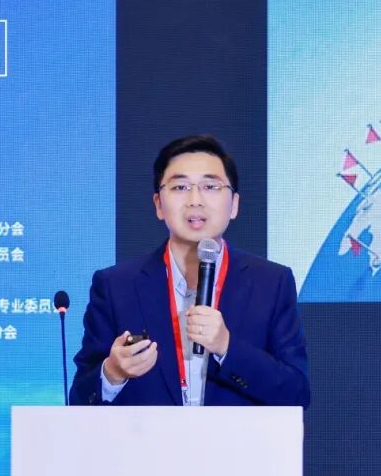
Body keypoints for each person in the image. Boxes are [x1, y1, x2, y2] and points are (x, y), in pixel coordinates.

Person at [70, 134, 310, 408]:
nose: (195, 200)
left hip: (237, 437)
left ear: (234, 205)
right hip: (147, 436)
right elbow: (79, 400)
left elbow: (296, 394)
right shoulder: (116, 286)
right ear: (158, 205)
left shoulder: (271, 283)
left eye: (210, 186)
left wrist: (227, 347)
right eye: (180, 187)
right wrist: (113, 373)